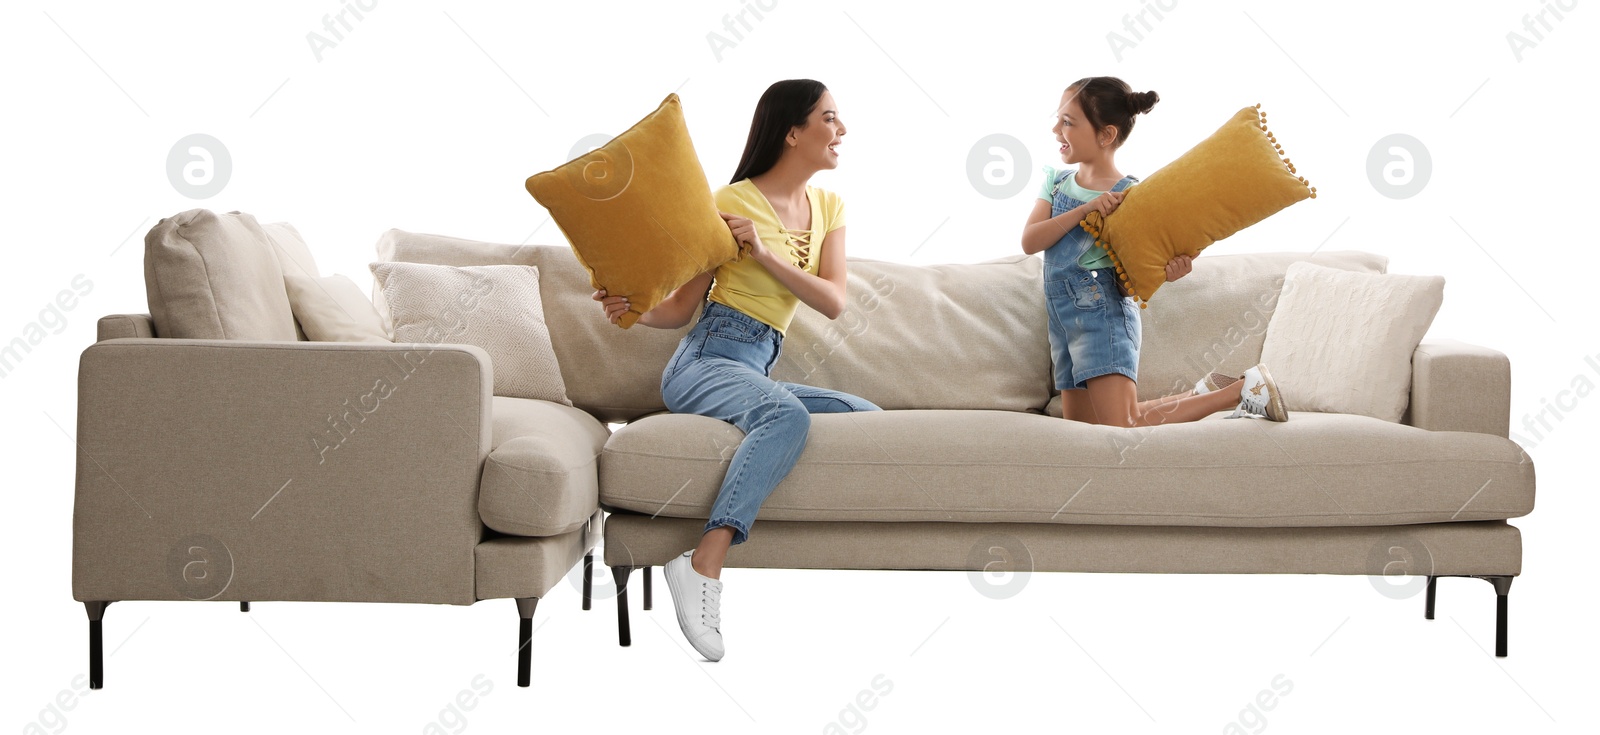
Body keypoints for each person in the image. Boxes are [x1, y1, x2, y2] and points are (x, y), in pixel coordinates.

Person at [592, 79, 880, 661]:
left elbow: (833, 300)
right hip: (704, 360)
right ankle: (704, 562)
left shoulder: (830, 207)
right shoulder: (730, 202)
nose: (842, 130)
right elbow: (680, 309)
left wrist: (766, 256)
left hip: (758, 364)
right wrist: (633, 309)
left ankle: (713, 544)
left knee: (866, 418)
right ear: (793, 131)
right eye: (830, 118)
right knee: (785, 416)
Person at [1019, 76, 1289, 426]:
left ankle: (1241, 392)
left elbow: (1126, 282)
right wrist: (1085, 210)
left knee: (1122, 424)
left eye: (1068, 122)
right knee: (1085, 427)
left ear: (1106, 135)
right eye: (1059, 119)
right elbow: (1030, 241)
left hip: (1104, 320)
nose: (1056, 129)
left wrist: (1168, 270)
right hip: (1063, 322)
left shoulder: (1131, 197)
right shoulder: (1055, 182)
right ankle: (1205, 391)